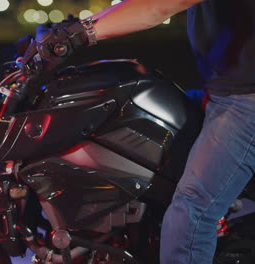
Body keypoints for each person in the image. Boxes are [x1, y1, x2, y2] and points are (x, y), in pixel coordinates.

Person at [30, 0, 255, 263]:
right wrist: (69, 29)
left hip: (246, 101)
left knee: (193, 210)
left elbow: (158, 6)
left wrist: (77, 34)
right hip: (224, 91)